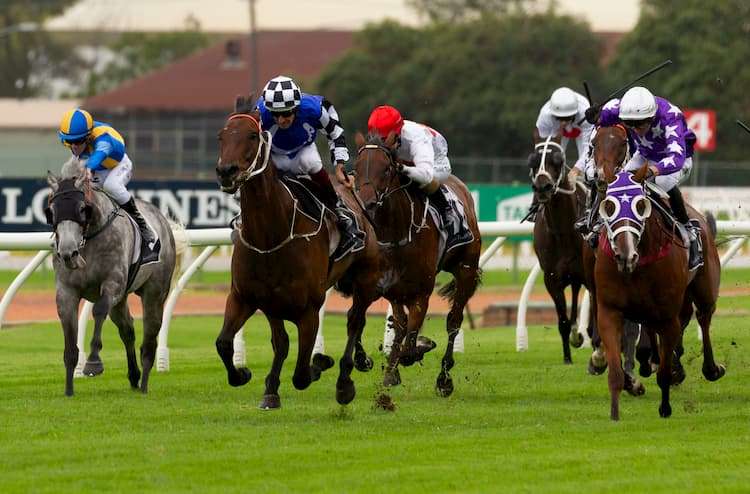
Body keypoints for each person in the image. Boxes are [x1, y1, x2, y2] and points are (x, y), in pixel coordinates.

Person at [586, 86, 701, 269]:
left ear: (651, 117)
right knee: (619, 183)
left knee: (661, 182)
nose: (635, 129)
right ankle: (600, 223)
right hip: (644, 155)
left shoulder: (671, 117)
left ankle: (689, 229)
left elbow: (676, 158)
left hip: (676, 159)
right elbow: (605, 115)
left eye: (639, 124)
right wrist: (595, 116)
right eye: (629, 124)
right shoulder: (623, 108)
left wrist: (654, 170)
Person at [256, 75, 364, 259]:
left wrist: (339, 166)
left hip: (303, 150)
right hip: (273, 155)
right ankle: (245, 216)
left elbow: (335, 132)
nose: (281, 120)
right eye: (275, 114)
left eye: (286, 113)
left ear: (297, 108)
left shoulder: (313, 108)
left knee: (312, 164)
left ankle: (339, 211)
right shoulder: (259, 113)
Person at [57, 108, 158, 263]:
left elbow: (99, 154)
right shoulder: (79, 142)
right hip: (98, 168)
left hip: (118, 165)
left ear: (88, 137)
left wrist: (89, 168)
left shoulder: (103, 137)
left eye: (77, 142)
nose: (74, 147)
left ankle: (144, 227)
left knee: (111, 186)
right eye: (69, 142)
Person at [367, 105, 472, 250]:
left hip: (436, 163)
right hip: (407, 160)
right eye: (375, 138)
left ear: (396, 134)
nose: (379, 143)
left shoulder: (416, 138)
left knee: (418, 181)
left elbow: (426, 175)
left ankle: (449, 214)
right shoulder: (385, 133)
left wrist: (402, 169)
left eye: (383, 139)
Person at [526, 87, 594, 221]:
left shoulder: (585, 112)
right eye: (560, 118)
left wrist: (576, 170)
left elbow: (588, 147)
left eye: (567, 118)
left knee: (589, 169)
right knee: (550, 163)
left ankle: (591, 205)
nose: (564, 122)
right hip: (554, 131)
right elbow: (543, 150)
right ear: (553, 114)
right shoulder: (545, 116)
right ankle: (536, 203)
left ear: (575, 113)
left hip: (581, 130)